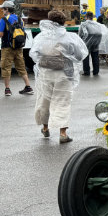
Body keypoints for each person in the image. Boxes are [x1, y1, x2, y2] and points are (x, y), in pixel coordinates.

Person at [29, 9, 88, 144]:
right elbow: (80, 55)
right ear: (63, 22)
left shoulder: (42, 37)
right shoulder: (70, 37)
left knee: (44, 100)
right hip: (64, 73)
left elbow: (34, 54)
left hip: (45, 72)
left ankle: (45, 128)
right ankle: (63, 133)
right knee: (62, 101)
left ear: (50, 21)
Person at [0, 0, 33, 97]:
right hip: (18, 47)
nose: (2, 11)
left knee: (6, 67)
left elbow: (1, 34)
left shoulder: (4, 20)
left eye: (3, 9)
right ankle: (28, 87)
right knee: (21, 67)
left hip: (7, 47)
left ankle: (7, 89)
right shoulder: (20, 19)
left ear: (7, 9)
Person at [78, 12, 108, 76]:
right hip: (96, 42)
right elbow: (101, 33)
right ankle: (96, 71)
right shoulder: (97, 24)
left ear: (86, 17)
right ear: (92, 17)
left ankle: (86, 71)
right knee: (95, 56)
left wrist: (80, 40)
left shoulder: (84, 24)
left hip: (86, 43)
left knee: (85, 57)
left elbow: (80, 33)